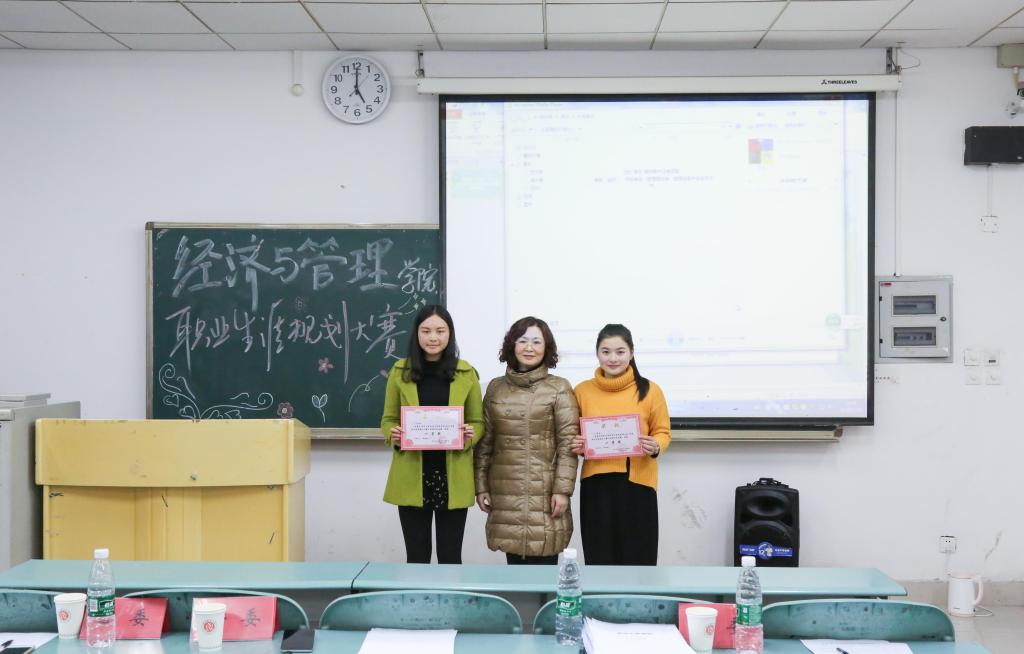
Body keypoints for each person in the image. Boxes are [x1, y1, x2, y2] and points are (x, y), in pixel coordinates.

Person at [380, 305, 484, 564]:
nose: (433, 337)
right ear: (417, 334)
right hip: (412, 475)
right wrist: (392, 434)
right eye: (426, 331)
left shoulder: (466, 373)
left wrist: (470, 435)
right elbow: (388, 419)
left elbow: (478, 421)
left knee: (451, 556)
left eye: (440, 330)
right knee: (416, 557)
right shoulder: (399, 372)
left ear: (450, 334)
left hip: (453, 475)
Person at [474, 316, 580, 565]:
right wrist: (481, 486)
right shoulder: (495, 388)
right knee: (515, 570)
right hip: (505, 492)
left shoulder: (559, 388)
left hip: (545, 492)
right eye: (522, 341)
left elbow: (568, 445)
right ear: (512, 345)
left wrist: (562, 490)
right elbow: (485, 443)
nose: (529, 347)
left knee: (545, 569)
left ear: (547, 348)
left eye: (536, 342)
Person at [572, 323, 670, 565]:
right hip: (596, 485)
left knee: (639, 559)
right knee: (599, 557)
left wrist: (656, 445)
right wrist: (576, 444)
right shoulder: (581, 391)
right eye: (605, 351)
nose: (613, 358)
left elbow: (662, 431)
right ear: (597, 353)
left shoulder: (650, 390)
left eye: (620, 351)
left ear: (632, 353)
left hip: (638, 483)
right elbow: (573, 434)